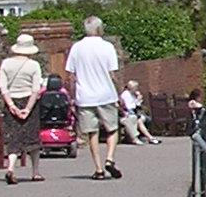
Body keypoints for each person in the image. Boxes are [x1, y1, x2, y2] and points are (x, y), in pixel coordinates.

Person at [64, 16, 123, 181]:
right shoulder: (107, 47)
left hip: (85, 96)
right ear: (99, 29)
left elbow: (71, 76)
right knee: (112, 129)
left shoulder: (76, 48)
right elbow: (113, 74)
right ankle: (109, 158)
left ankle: (98, 168)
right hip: (106, 94)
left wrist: (72, 95)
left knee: (92, 133)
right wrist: (118, 92)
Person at [0, 32, 46, 184]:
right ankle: (35, 171)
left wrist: (11, 105)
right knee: (32, 138)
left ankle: (10, 168)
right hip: (29, 101)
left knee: (13, 137)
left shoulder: (6, 64)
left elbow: (2, 87)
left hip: (11, 101)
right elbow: (35, 89)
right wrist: (28, 109)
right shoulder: (33, 65)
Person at [117, 79, 157, 145]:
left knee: (141, 119)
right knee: (136, 119)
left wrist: (138, 100)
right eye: (136, 87)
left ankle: (149, 137)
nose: (137, 89)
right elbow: (129, 107)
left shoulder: (132, 94)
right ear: (132, 88)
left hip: (133, 113)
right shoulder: (126, 94)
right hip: (126, 114)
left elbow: (136, 105)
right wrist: (137, 100)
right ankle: (136, 138)